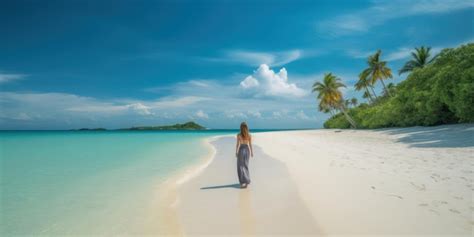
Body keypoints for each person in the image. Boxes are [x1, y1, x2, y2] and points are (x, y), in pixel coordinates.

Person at [235, 122, 253, 188]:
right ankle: (247, 181)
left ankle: (242, 182)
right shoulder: (249, 135)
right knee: (245, 165)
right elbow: (250, 144)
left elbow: (237, 144)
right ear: (246, 128)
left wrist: (236, 152)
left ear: (241, 127)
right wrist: (251, 152)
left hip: (241, 149)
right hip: (247, 150)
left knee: (240, 166)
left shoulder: (238, 135)